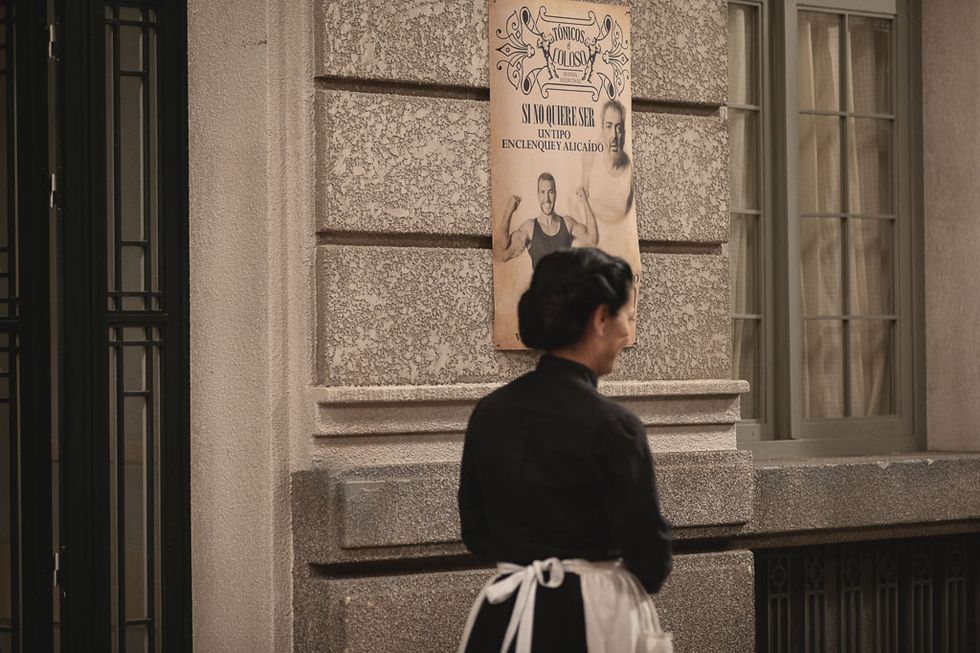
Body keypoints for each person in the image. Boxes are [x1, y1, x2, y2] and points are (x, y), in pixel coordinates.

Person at [457, 248, 673, 653]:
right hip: (588, 621)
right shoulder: (615, 426)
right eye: (626, 316)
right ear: (600, 318)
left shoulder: (488, 413)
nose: (627, 335)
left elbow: (477, 532)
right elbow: (650, 560)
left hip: (503, 619)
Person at [495, 172, 598, 269]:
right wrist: (509, 211)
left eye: (551, 192)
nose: (547, 198)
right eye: (543, 192)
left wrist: (585, 201)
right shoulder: (530, 228)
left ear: (556, 194)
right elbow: (502, 254)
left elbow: (592, 239)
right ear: (538, 195)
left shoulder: (567, 223)